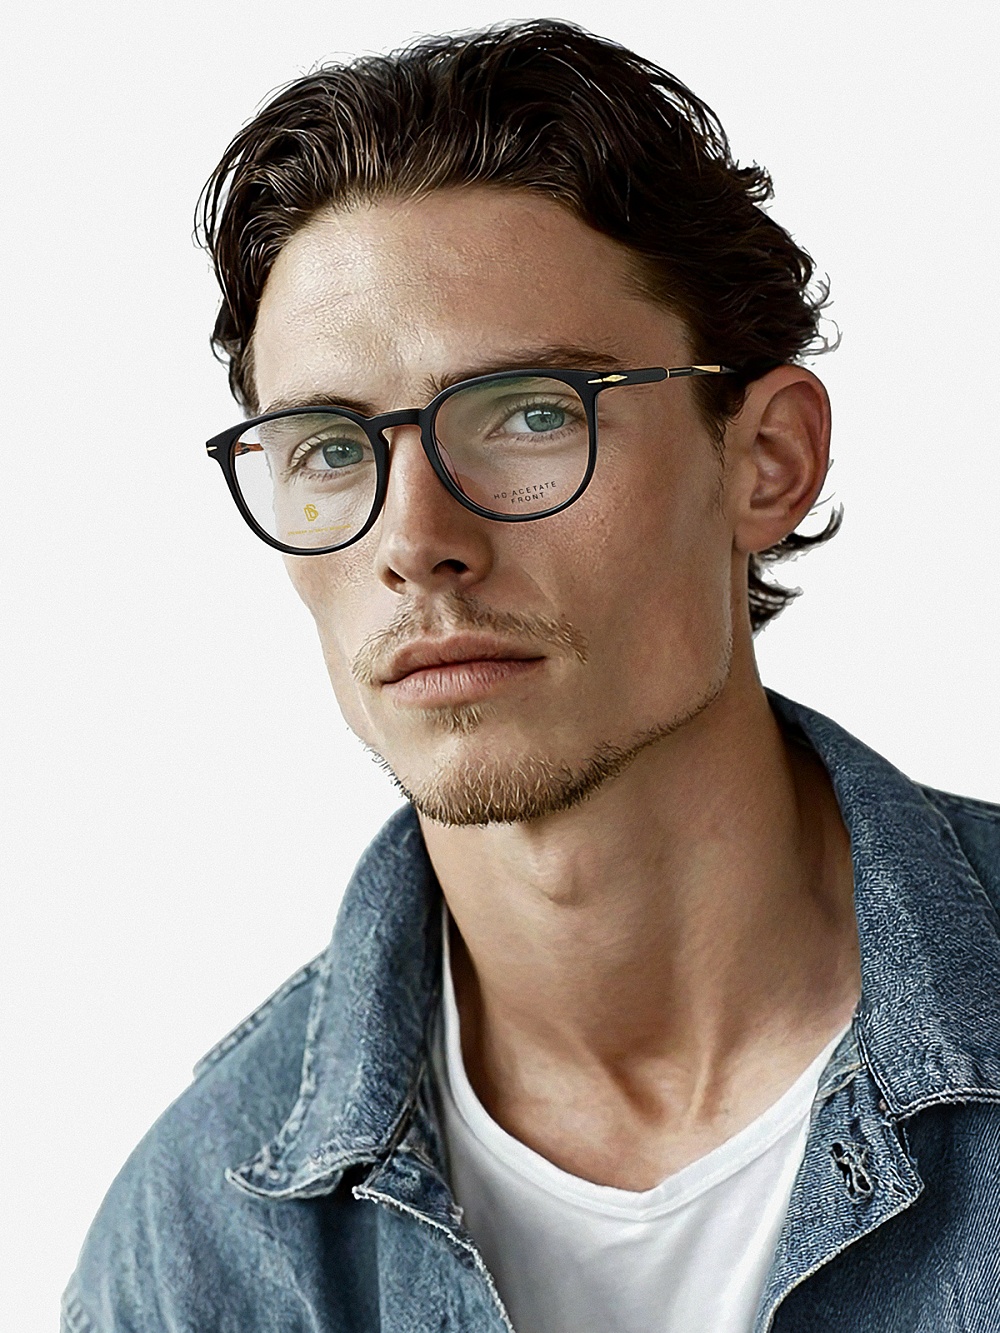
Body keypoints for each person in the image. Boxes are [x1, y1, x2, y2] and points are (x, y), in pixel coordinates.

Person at [63, 20, 1000, 1333]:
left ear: (768, 461)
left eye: (529, 413)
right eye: (331, 447)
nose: (415, 542)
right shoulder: (197, 1253)